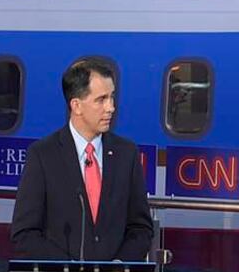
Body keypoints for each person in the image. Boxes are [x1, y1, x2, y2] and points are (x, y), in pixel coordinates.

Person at [11, 57, 153, 260]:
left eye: (112, 97)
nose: (111, 107)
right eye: (101, 100)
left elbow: (141, 228)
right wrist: (69, 269)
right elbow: (24, 233)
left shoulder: (127, 154)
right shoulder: (43, 155)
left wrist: (119, 265)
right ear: (76, 106)